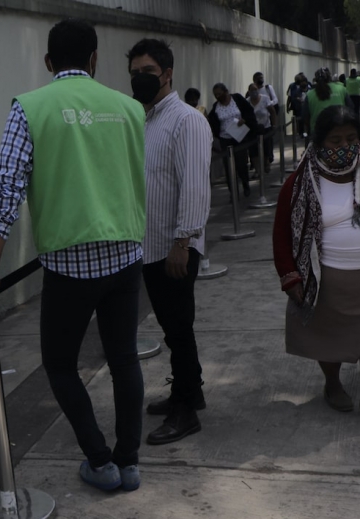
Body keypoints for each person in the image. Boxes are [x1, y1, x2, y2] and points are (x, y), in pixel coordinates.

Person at [0, 18, 147, 492]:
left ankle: (100, 461)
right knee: (125, 358)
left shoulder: (31, 108)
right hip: (126, 256)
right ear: (94, 59)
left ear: (48, 63)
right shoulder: (128, 108)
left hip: (70, 268)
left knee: (61, 365)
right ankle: (129, 463)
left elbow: (7, 187)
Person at [273, 106, 360, 423]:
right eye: (335, 140)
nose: (344, 146)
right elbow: (281, 235)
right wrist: (291, 278)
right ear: (319, 142)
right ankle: (333, 385)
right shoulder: (298, 183)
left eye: (351, 138)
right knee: (328, 336)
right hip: (327, 282)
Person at [127, 38, 212, 445]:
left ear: (167, 73)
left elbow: (195, 186)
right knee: (172, 326)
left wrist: (184, 242)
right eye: (134, 73)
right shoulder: (147, 120)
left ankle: (185, 411)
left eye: (147, 72)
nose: (140, 79)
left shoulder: (186, 120)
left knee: (179, 328)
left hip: (174, 248)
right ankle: (189, 393)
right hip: (152, 246)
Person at [208, 82, 259, 197]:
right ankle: (233, 192)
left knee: (241, 163)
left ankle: (245, 184)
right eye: (215, 95)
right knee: (229, 166)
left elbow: (248, 111)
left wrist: (244, 120)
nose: (218, 96)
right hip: (225, 138)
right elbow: (212, 120)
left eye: (220, 94)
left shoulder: (237, 99)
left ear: (226, 92)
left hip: (239, 137)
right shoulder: (216, 106)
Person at [303, 67, 350, 138]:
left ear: (316, 79)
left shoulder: (310, 94)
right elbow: (350, 109)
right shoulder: (341, 89)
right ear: (330, 78)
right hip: (340, 129)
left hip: (317, 131)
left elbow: (305, 116)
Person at [246, 82, 277, 174]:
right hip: (253, 129)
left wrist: (274, 125)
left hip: (265, 127)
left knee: (266, 147)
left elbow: (272, 112)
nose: (254, 92)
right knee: (254, 150)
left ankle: (266, 164)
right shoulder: (247, 102)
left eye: (256, 89)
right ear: (249, 91)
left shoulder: (265, 99)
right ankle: (257, 170)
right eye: (252, 90)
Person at [287, 73, 309, 137]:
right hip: (297, 107)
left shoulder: (308, 86)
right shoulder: (292, 86)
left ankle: (305, 133)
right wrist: (288, 106)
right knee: (299, 121)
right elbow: (289, 97)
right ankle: (300, 133)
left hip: (307, 107)